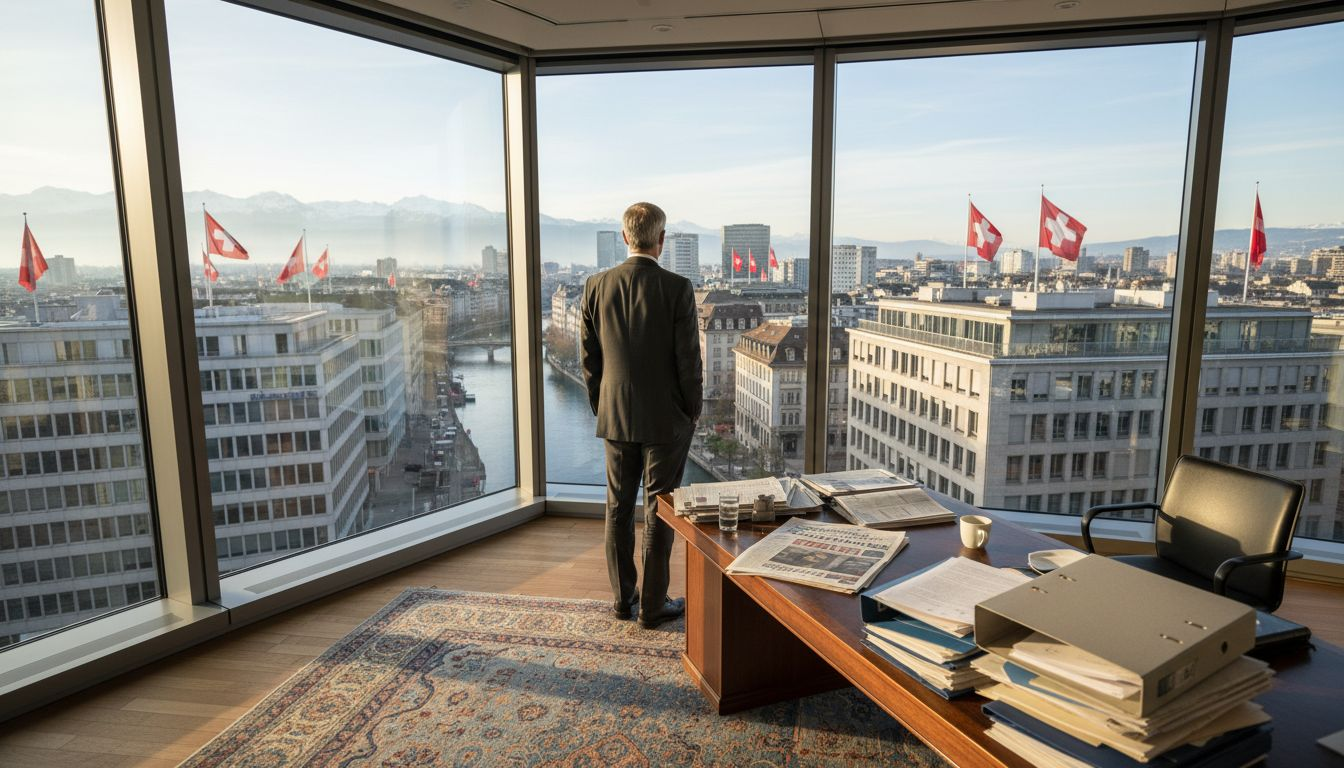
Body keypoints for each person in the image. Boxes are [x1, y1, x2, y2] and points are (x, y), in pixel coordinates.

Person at [581, 202, 702, 629]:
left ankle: (621, 599)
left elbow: (589, 359)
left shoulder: (596, 286)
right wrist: (692, 410)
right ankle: (653, 605)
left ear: (625, 236)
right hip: (666, 418)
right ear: (661, 239)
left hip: (615, 415)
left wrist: (601, 405)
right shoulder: (677, 288)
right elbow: (688, 360)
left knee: (617, 508)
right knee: (659, 509)